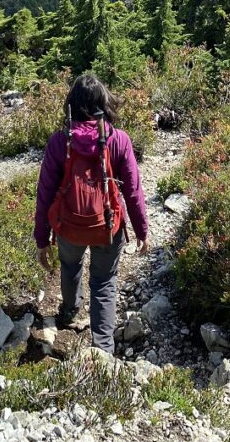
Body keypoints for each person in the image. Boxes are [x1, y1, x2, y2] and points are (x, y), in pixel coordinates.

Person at [34, 73, 149, 354]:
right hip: (107, 226)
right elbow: (133, 191)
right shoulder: (119, 140)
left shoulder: (59, 142)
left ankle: (70, 310)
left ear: (71, 103)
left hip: (69, 226)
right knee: (104, 281)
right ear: (104, 102)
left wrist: (41, 238)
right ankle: (103, 349)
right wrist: (142, 231)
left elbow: (45, 193)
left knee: (70, 265)